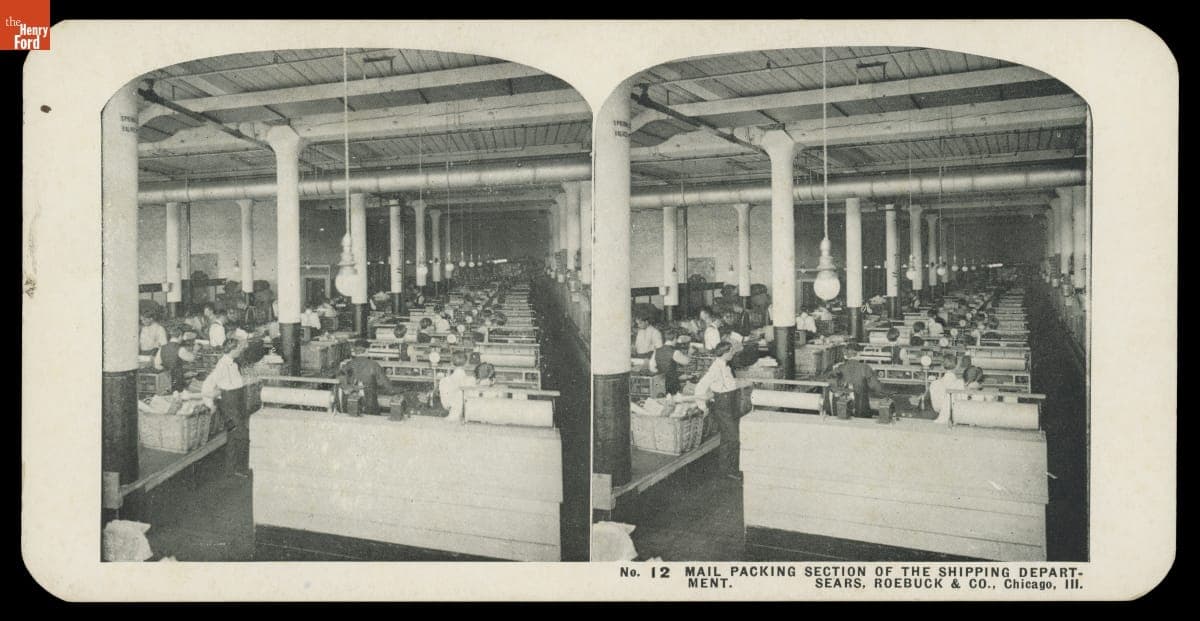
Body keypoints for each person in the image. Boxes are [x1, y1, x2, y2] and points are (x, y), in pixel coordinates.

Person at [694, 342, 742, 481]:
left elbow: (730, 385)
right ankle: (730, 469)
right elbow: (700, 388)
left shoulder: (726, 366)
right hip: (723, 406)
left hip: (730, 403)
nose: (733, 353)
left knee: (728, 438)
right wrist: (703, 407)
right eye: (731, 351)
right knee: (734, 438)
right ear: (725, 352)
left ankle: (726, 470)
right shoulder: (715, 369)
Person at [201, 338, 250, 477]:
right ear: (233, 349)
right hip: (228, 405)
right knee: (242, 435)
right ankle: (239, 468)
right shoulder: (222, 365)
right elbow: (207, 386)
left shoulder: (233, 364)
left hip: (236, 401)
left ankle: (232, 469)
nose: (241, 350)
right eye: (239, 348)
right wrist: (211, 402)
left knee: (233, 435)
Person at [336, 340, 396, 416]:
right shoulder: (373, 365)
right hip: (370, 407)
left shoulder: (347, 365)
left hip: (352, 406)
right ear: (367, 350)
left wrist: (353, 388)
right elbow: (388, 387)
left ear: (354, 351)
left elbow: (342, 385)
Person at [834, 344, 887, 419]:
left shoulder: (839, 368)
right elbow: (878, 388)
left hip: (843, 411)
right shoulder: (865, 368)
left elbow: (834, 387)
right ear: (859, 354)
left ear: (846, 355)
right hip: (862, 412)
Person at [153, 324, 196, 393]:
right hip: (178, 380)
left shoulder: (162, 348)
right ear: (180, 336)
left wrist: (167, 372)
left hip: (167, 380)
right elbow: (192, 358)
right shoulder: (180, 349)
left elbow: (157, 364)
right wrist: (195, 350)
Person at [650, 328, 692, 396]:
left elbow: (652, 367)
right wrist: (690, 352)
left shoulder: (657, 351)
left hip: (660, 383)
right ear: (675, 338)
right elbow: (687, 361)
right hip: (673, 384)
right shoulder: (675, 352)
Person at [929, 355, 966, 424]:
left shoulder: (934, 383)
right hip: (955, 413)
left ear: (942, 366)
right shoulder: (960, 383)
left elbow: (935, 406)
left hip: (938, 411)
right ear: (956, 367)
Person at [438, 351, 473, 423]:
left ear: (451, 364)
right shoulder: (471, 380)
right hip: (468, 414)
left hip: (451, 413)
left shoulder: (444, 381)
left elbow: (445, 404)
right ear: (466, 364)